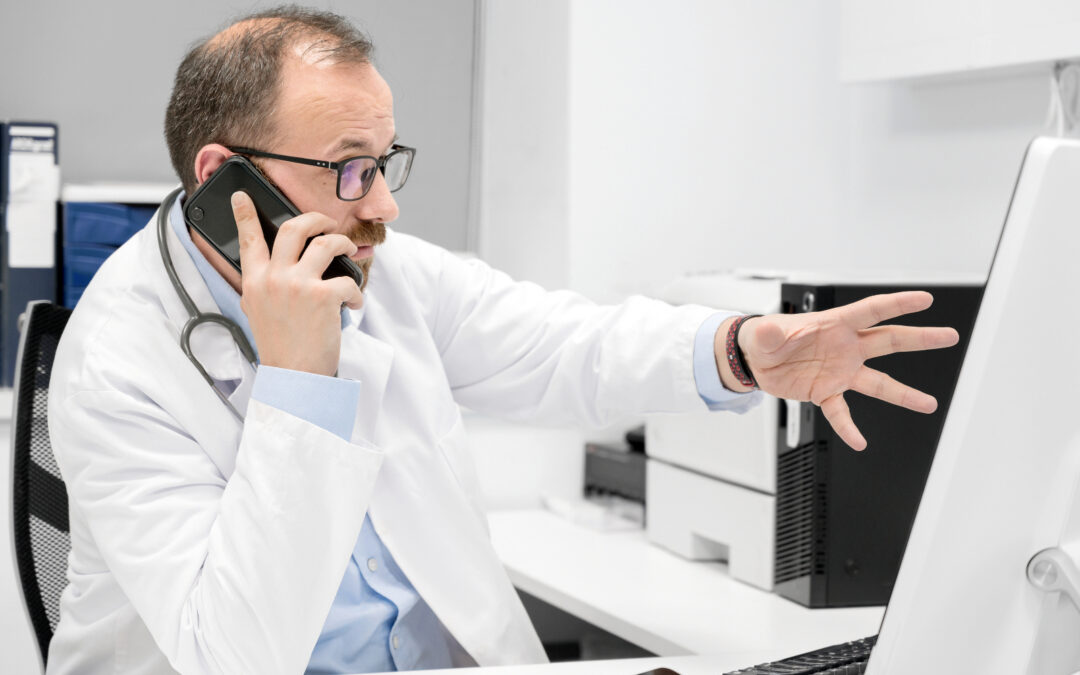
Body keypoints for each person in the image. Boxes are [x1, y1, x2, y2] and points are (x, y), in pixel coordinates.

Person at [45, 7, 959, 675]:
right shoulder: (119, 360)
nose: (386, 206)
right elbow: (236, 652)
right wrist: (299, 381)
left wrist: (739, 350)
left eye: (387, 161)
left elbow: (560, 344)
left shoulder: (380, 273)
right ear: (224, 179)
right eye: (352, 171)